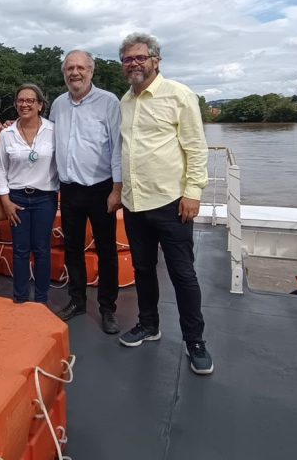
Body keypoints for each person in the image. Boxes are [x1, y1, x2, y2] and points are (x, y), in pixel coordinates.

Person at [116, 32, 213, 375]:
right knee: (143, 269)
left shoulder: (179, 95)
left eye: (140, 58)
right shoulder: (125, 102)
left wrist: (193, 192)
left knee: (182, 273)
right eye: (128, 59)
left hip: (171, 202)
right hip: (134, 202)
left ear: (156, 60)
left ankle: (194, 341)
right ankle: (149, 324)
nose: (134, 64)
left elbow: (195, 148)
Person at [49, 50, 124, 333]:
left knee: (107, 251)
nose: (75, 73)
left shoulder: (108, 102)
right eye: (70, 68)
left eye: (80, 67)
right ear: (64, 73)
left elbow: (118, 147)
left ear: (91, 71)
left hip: (101, 188)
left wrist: (117, 189)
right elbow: (47, 140)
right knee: (72, 249)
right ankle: (77, 301)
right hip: (69, 190)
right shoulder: (58, 104)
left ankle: (108, 308)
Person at [0, 84, 58, 304]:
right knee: (20, 250)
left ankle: (41, 300)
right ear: (15, 104)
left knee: (42, 249)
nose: (25, 104)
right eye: (21, 101)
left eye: (30, 101)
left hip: (44, 198)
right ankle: (20, 298)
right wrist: (5, 200)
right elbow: (1, 168)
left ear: (40, 105)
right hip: (17, 198)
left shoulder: (53, 130)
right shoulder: (7, 134)